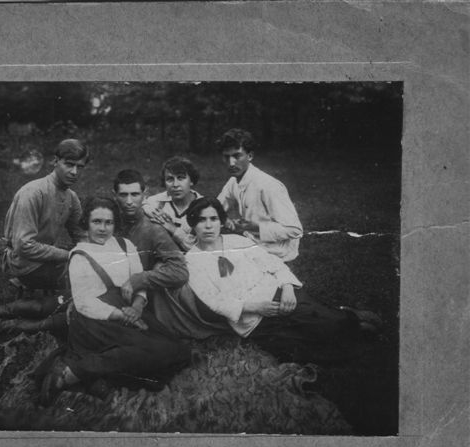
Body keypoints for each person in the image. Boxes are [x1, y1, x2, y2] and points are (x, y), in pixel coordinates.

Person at [179, 197, 382, 365]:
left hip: (278, 294)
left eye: (213, 219)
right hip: (253, 320)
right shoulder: (191, 262)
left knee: (327, 326)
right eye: (201, 220)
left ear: (221, 221)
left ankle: (349, 317)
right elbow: (214, 301)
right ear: (193, 224)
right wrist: (256, 307)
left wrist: (287, 288)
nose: (208, 226)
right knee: (303, 351)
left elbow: (273, 262)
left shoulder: (238, 242)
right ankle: (346, 331)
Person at [38, 197, 191, 405]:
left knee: (179, 351)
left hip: (128, 310)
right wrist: (122, 315)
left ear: (115, 224)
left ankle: (90, 371)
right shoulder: (79, 255)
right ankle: (75, 372)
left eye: (108, 222)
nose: (103, 228)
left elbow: (138, 279)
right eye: (97, 222)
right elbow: (84, 302)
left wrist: (137, 306)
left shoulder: (125, 245)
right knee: (151, 352)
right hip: (95, 320)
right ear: (86, 223)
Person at [2, 138, 88, 290]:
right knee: (83, 279)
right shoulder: (33, 192)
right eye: (69, 164)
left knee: (96, 271)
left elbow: (80, 234)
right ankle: (27, 290)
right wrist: (69, 255)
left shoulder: (72, 197)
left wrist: (91, 252)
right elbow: (24, 246)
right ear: (55, 161)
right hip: (24, 263)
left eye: (79, 167)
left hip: (45, 257)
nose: (74, 172)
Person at [216, 128, 303, 262]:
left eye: (237, 156)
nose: (231, 163)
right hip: (251, 242)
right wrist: (224, 218)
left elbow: (295, 230)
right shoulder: (233, 181)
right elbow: (216, 207)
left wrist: (255, 227)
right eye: (226, 157)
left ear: (250, 156)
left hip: (277, 251)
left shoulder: (268, 185)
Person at [112, 169, 189, 305]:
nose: (129, 201)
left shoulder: (153, 228)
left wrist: (140, 279)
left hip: (140, 299)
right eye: (123, 195)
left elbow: (180, 271)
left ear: (145, 194)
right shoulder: (108, 222)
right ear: (115, 195)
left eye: (135, 194)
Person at [142, 156, 204, 251]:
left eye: (181, 178)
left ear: (191, 181)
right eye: (170, 179)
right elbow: (142, 204)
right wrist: (149, 211)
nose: (175, 185)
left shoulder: (204, 207)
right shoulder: (156, 202)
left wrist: (172, 228)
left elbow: (200, 249)